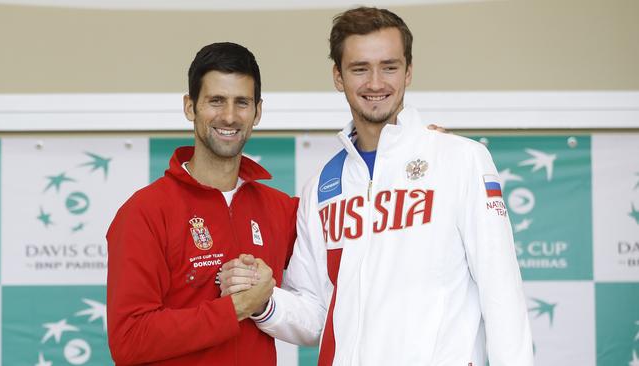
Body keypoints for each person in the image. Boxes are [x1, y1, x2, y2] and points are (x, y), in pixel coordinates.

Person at [220, 6, 534, 366]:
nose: (375, 83)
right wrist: (265, 300)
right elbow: (317, 316)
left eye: (389, 66)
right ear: (338, 77)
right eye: (359, 69)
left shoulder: (460, 160)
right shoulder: (321, 187)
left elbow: (503, 295)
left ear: (408, 71)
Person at [106, 42, 299, 365]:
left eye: (242, 103)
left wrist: (267, 298)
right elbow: (129, 340)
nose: (229, 116)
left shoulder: (281, 209)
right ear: (189, 107)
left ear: (258, 112)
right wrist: (237, 307)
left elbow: (325, 298)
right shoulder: (145, 212)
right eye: (216, 101)